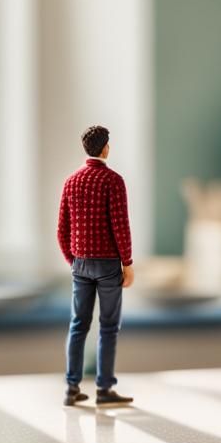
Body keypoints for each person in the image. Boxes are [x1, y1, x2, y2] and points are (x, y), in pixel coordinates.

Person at [57, 125, 134, 407]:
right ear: (105, 148)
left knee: (78, 325)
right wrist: (127, 262)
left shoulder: (71, 182)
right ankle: (104, 388)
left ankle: (71, 386)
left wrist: (72, 259)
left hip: (81, 264)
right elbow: (120, 227)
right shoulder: (113, 181)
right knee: (108, 326)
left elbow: (62, 230)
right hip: (108, 265)